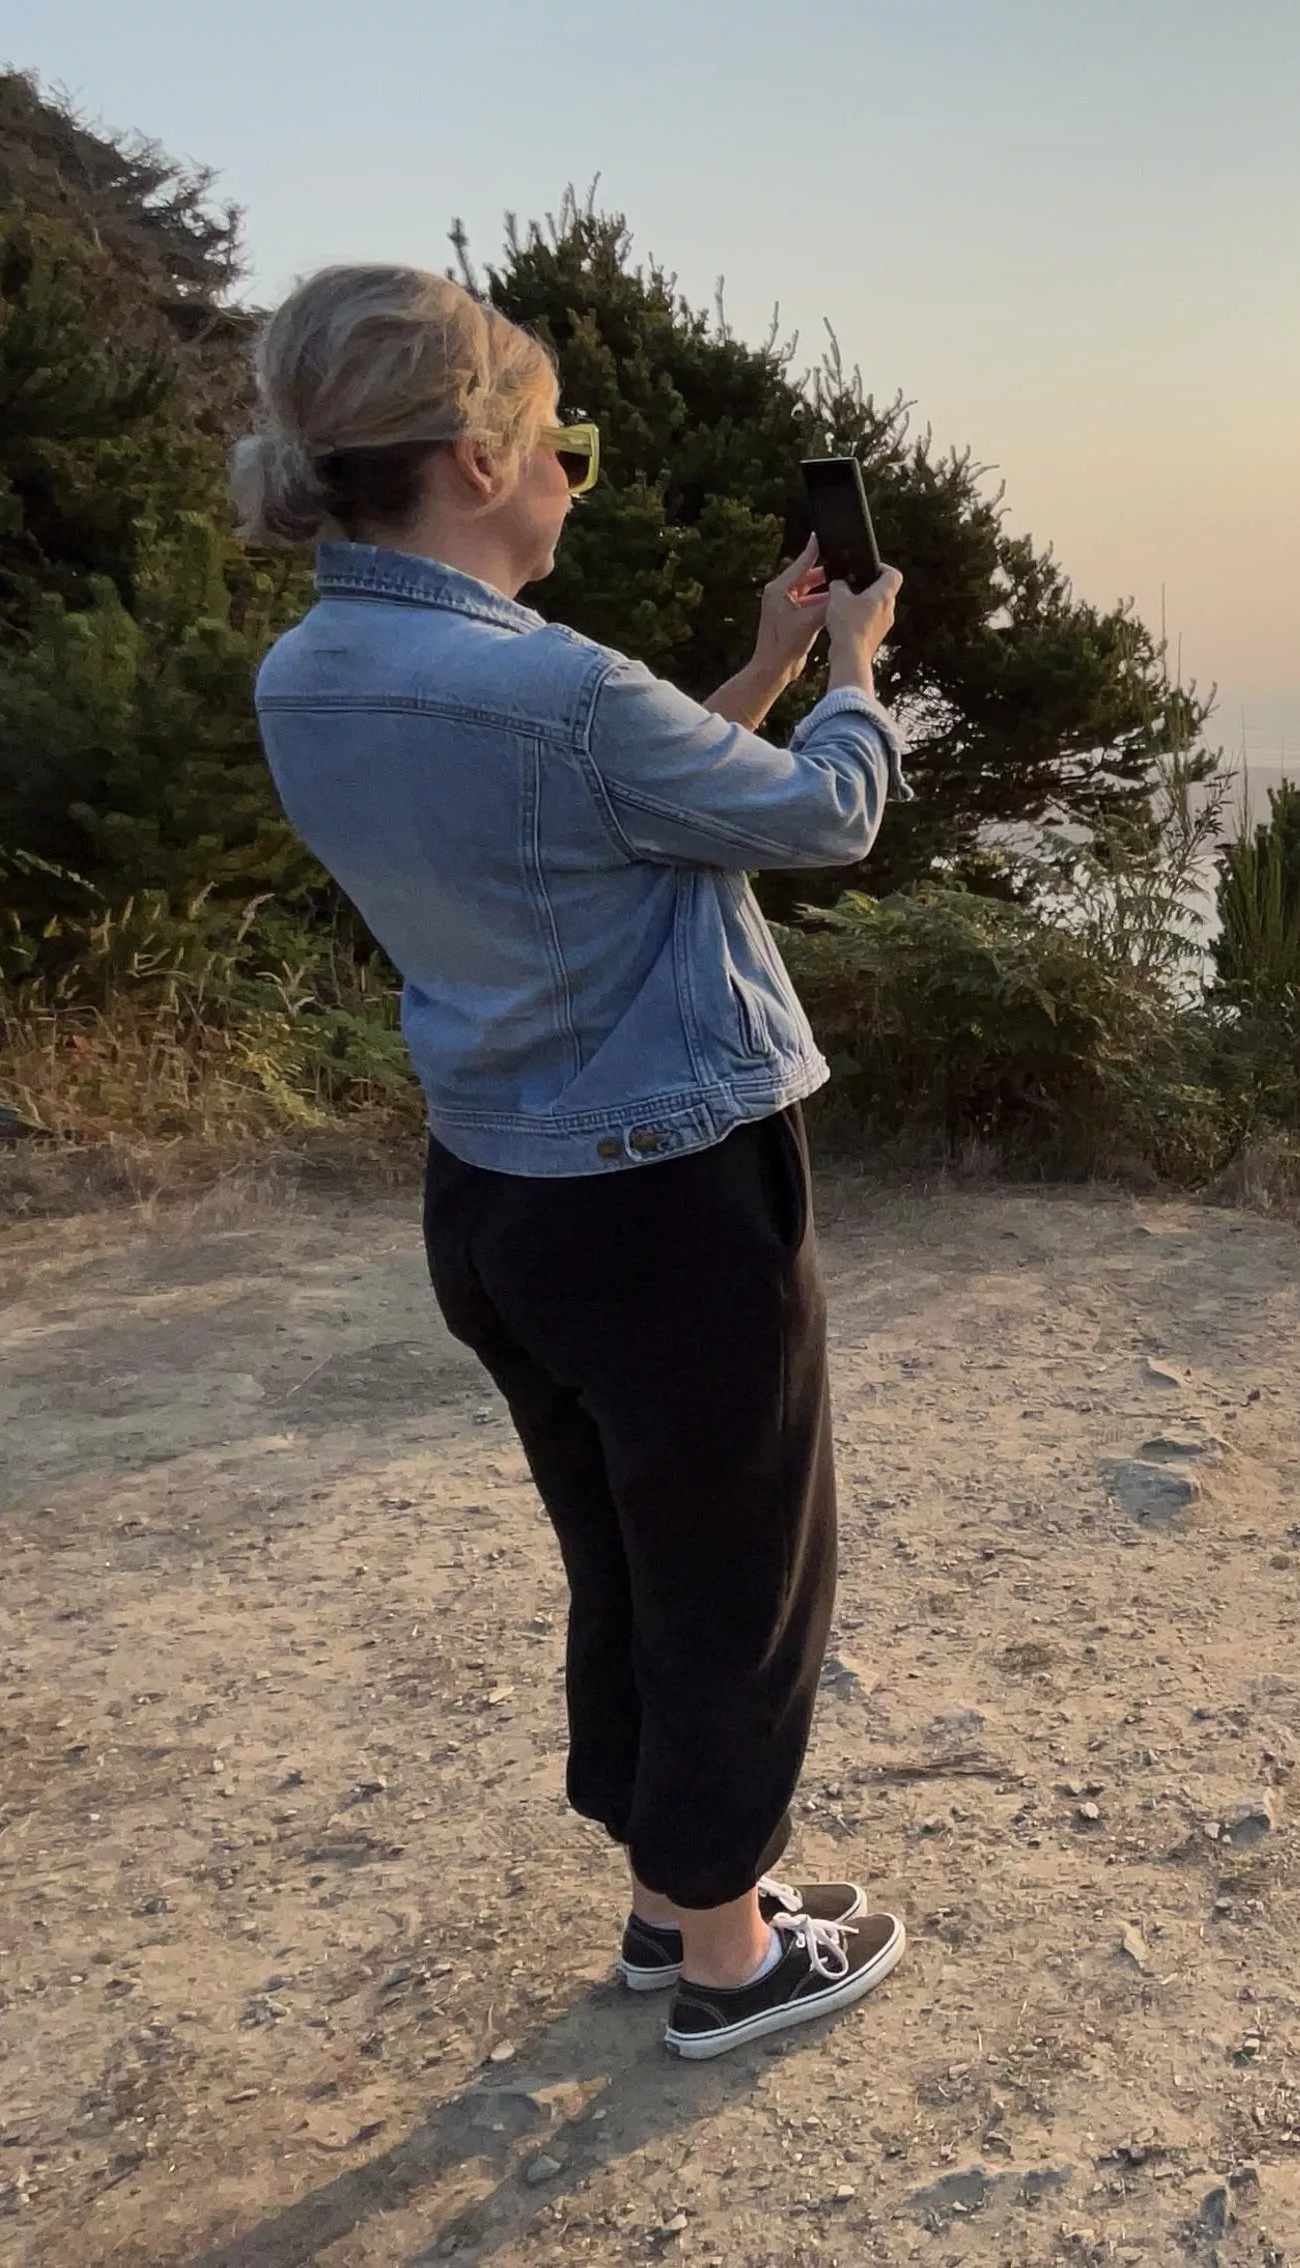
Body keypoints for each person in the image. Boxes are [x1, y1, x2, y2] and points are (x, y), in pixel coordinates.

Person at [230, 263, 907, 2059]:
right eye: (566, 453)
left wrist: (759, 663)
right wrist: (848, 671)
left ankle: (675, 1898)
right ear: (475, 457)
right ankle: (731, 1966)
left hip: (503, 1199)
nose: (565, 482)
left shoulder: (314, 672)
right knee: (739, 1577)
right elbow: (830, 816)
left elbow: (611, 814)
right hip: (672, 1198)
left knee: (624, 1550)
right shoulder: (552, 689)